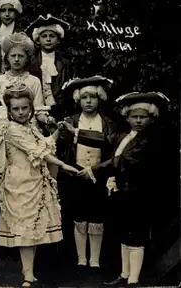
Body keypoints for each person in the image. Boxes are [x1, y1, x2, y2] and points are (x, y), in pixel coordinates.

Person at [78, 91, 169, 287]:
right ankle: (125, 274)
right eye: (134, 117)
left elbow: (120, 161)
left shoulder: (148, 140)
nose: (138, 121)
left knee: (136, 235)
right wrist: (75, 132)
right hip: (123, 192)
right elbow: (104, 139)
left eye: (142, 117)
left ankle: (133, 280)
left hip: (139, 195)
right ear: (127, 117)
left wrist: (92, 170)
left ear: (151, 118)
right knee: (124, 233)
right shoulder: (126, 136)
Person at [0, 81, 79, 287]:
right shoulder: (12, 130)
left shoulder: (31, 128)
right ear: (9, 110)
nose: (21, 112)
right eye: (15, 109)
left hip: (35, 179)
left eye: (25, 108)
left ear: (31, 108)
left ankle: (30, 273)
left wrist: (58, 131)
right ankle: (27, 275)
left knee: (33, 228)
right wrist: (63, 165)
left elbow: (43, 144)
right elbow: (38, 152)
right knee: (25, 229)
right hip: (20, 181)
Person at [57, 76, 117, 275]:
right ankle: (81, 259)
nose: (88, 101)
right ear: (78, 100)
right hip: (76, 175)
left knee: (97, 217)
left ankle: (95, 260)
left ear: (100, 99)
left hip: (98, 176)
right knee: (79, 216)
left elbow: (109, 145)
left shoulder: (107, 123)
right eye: (84, 97)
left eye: (93, 97)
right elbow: (62, 147)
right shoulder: (71, 121)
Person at [0, 32, 52, 193]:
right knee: (2, 165)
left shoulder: (34, 81)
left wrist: (48, 121)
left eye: (21, 56)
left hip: (27, 128)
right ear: (7, 58)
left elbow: (38, 109)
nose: (16, 59)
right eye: (13, 56)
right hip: (2, 128)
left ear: (27, 58)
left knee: (26, 167)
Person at [25, 14, 73, 124]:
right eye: (44, 36)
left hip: (59, 108)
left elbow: (69, 88)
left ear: (58, 40)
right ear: (38, 39)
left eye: (52, 36)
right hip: (37, 107)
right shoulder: (31, 62)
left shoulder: (65, 63)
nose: (48, 39)